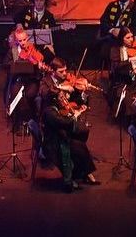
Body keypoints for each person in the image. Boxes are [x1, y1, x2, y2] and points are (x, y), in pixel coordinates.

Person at [40, 58, 99, 191]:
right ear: (53, 71)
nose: (65, 74)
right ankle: (77, 174)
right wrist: (61, 88)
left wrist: (82, 94)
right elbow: (46, 94)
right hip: (53, 128)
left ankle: (82, 172)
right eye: (61, 71)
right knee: (78, 141)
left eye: (65, 70)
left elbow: (74, 99)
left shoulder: (63, 82)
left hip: (61, 119)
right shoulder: (46, 83)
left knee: (82, 135)